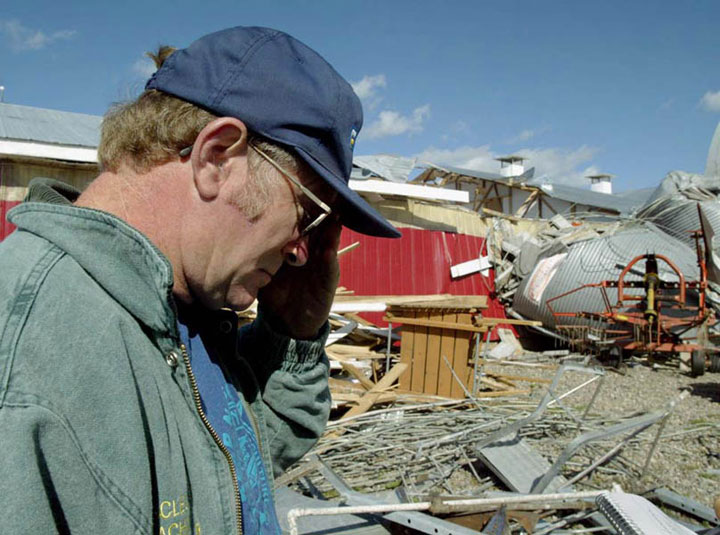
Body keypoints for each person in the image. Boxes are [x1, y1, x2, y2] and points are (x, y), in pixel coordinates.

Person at [0, 26, 400, 534]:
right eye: (309, 213)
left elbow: (229, 476)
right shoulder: (31, 354)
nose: (304, 251)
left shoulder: (176, 314)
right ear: (217, 157)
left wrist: (293, 334)